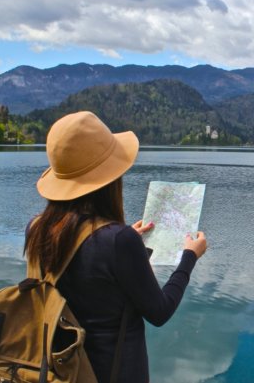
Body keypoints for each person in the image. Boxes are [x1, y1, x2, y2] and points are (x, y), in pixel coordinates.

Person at [23, 110, 207, 383]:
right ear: (110, 178)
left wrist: (124, 240)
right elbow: (160, 311)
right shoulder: (118, 241)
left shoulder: (36, 228)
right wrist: (190, 256)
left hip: (56, 371)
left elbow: (87, 268)